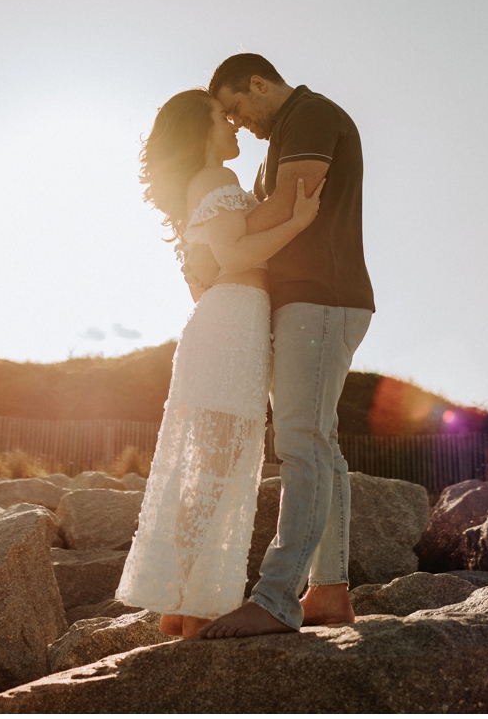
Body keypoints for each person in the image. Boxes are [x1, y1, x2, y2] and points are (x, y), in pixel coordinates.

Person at [114, 88, 322, 638]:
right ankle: (189, 605)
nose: (232, 128)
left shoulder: (192, 190)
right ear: (200, 130)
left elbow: (203, 272)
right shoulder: (219, 181)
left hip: (219, 318)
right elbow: (234, 256)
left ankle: (180, 604)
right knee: (218, 468)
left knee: (208, 468)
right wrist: (298, 221)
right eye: (221, 119)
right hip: (233, 325)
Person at [194, 54, 376, 638]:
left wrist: (221, 243)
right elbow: (261, 215)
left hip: (322, 299)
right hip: (308, 302)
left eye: (236, 106)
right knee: (319, 443)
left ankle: (276, 598)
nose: (238, 122)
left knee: (300, 442)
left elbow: (284, 206)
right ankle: (328, 591)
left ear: (258, 83)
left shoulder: (310, 115)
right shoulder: (288, 132)